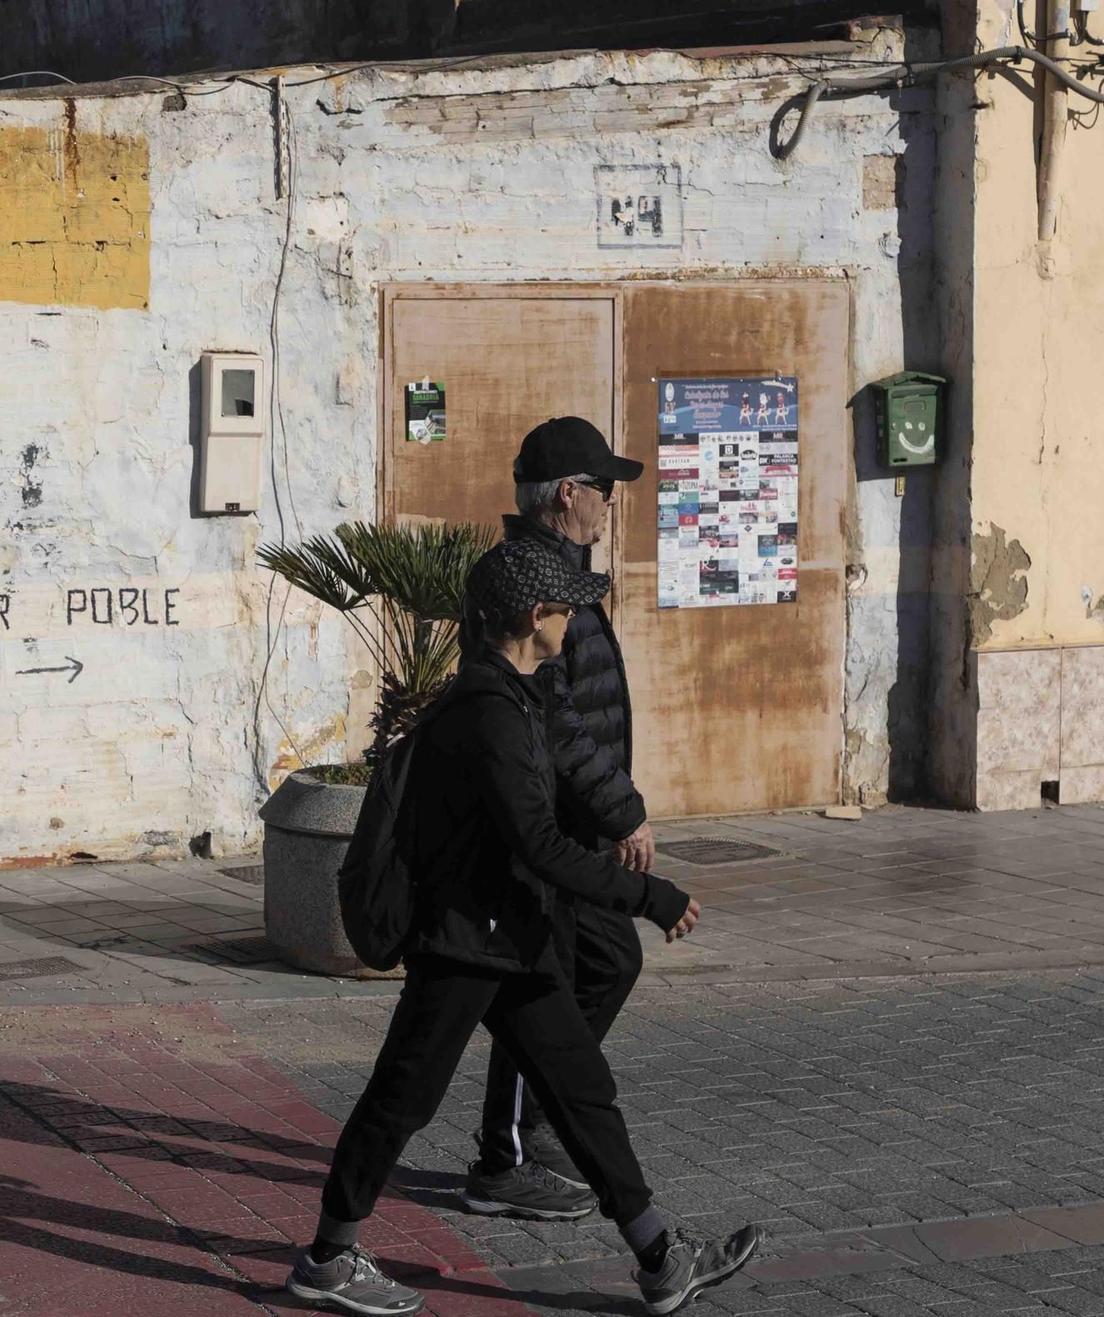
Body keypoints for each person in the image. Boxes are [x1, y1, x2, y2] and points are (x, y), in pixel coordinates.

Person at [287, 541, 762, 1317]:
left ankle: (660, 1257)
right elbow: (535, 841)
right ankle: (328, 1259)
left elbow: (544, 812)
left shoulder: (518, 695)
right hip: (465, 944)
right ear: (536, 617)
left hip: (514, 939)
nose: (576, 617)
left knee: (582, 1090)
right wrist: (646, 895)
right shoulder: (486, 714)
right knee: (401, 1099)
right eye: (567, 607)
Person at [456, 415, 654, 1222]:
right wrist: (622, 809)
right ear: (567, 493)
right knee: (536, 988)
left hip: (578, 827)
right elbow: (556, 720)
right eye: (603, 488)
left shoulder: (561, 568)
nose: (612, 503)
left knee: (606, 963)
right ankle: (503, 1159)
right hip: (548, 828)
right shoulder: (529, 584)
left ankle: (534, 1124)